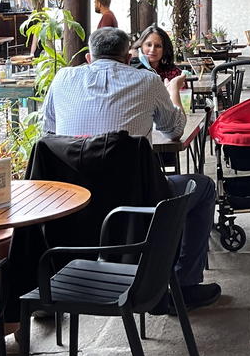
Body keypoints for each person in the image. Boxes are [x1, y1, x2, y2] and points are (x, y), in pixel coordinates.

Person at [42, 27, 220, 310]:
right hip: (136, 205)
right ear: (128, 58)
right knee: (203, 186)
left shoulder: (62, 78)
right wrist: (173, 92)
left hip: (73, 208)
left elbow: (48, 135)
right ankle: (182, 285)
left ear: (89, 57)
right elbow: (174, 130)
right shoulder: (147, 81)